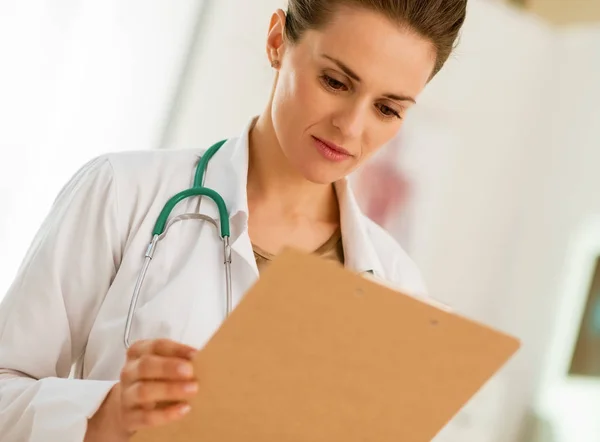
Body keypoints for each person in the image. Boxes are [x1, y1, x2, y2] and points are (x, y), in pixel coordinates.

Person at [0, 0, 467, 440]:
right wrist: (105, 415)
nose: (351, 126)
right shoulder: (123, 192)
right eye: (335, 82)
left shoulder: (397, 284)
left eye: (387, 109)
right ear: (277, 41)